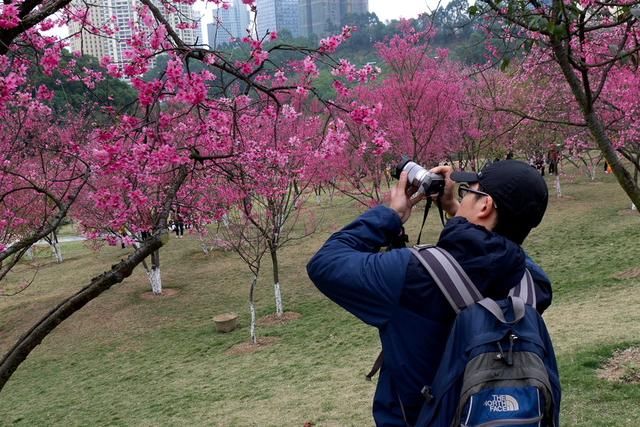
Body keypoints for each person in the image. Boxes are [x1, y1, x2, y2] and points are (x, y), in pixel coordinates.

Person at [306, 160, 553, 426]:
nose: (464, 196)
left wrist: (391, 214)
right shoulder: (532, 286)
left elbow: (326, 263)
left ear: (485, 206)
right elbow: (505, 250)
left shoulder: (412, 274)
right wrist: (456, 209)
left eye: (469, 192)